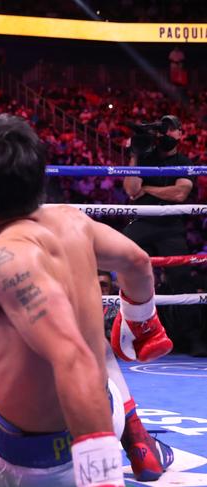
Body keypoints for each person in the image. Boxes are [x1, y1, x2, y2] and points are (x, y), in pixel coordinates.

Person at [0, 113, 174, 486]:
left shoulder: (1, 259)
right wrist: (142, 323)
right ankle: (136, 437)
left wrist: (102, 478)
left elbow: (71, 357)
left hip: (23, 462)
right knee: (94, 341)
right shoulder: (74, 221)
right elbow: (136, 261)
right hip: (105, 414)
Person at [123, 115, 207, 356]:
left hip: (171, 226)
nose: (167, 134)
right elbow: (131, 190)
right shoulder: (146, 158)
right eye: (163, 129)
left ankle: (192, 337)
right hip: (143, 222)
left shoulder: (184, 161)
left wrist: (147, 188)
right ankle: (123, 331)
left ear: (180, 134)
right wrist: (135, 155)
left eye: (172, 130)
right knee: (118, 261)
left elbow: (180, 194)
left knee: (182, 278)